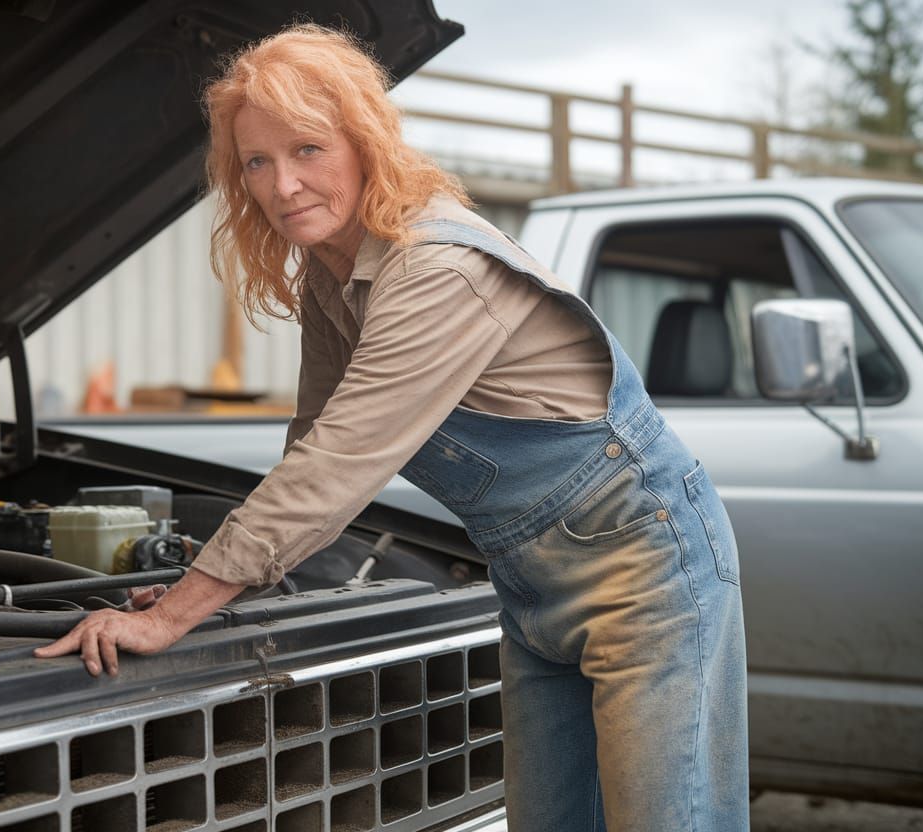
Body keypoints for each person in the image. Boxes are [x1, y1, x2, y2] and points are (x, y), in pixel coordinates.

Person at [36, 23, 748, 831]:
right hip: (532, 579)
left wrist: (169, 619)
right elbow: (308, 446)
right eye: (256, 163)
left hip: (644, 570)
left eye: (308, 149)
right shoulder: (334, 277)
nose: (282, 186)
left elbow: (338, 466)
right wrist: (206, 586)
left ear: (365, 141)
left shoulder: (433, 271)